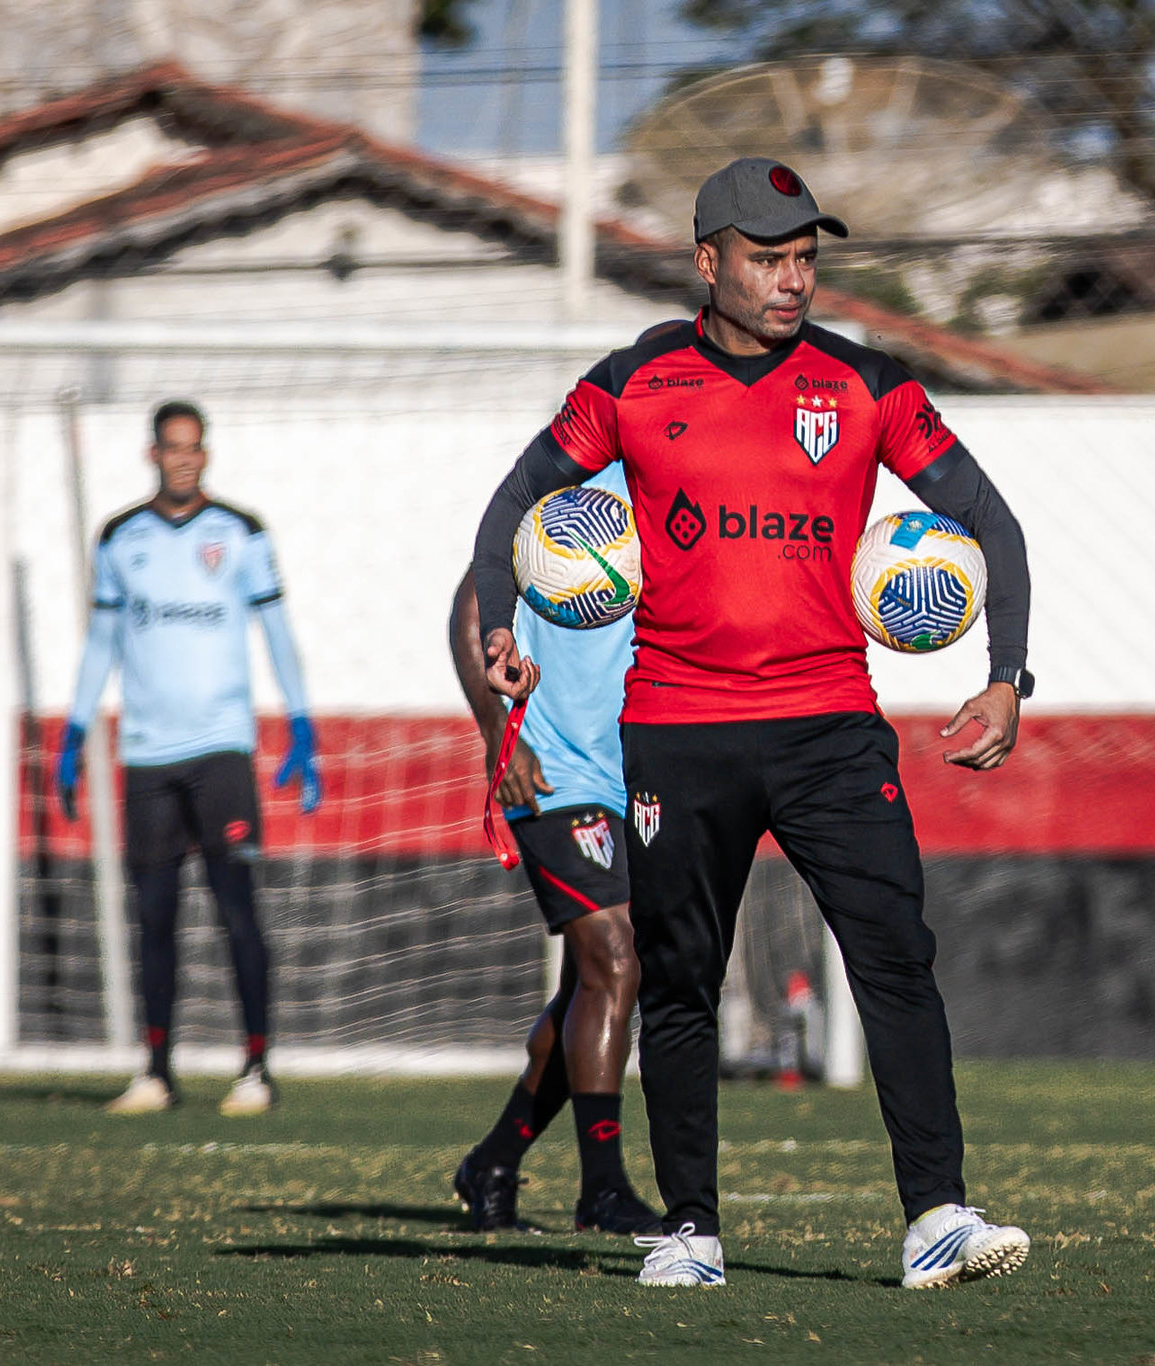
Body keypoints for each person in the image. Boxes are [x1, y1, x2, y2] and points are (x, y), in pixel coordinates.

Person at [469, 158, 1036, 1289]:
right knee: (681, 980)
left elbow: (990, 521)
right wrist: (497, 624)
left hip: (831, 729)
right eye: (768, 258)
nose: (791, 280)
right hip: (676, 734)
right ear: (707, 261)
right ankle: (690, 1230)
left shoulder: (868, 385)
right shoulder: (631, 384)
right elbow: (512, 503)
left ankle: (936, 1215)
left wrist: (1006, 675)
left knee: (896, 958)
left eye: (805, 258)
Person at [58, 399, 321, 1117]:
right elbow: (102, 643)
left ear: (206, 454)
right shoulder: (119, 537)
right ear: (154, 454)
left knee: (237, 907)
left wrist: (301, 721)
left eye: (195, 447)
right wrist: (76, 732)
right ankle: (155, 1071)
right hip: (146, 754)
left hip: (221, 751)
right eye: (173, 447)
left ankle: (256, 1068)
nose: (185, 458)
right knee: (153, 913)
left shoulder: (240, 533)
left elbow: (274, 627)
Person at [444, 460, 662, 1236]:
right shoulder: (574, 489)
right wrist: (501, 735)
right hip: (551, 769)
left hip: (634, 779)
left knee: (592, 987)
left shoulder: (691, 501)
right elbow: (472, 598)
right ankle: (602, 1188)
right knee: (615, 959)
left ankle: (495, 1161)